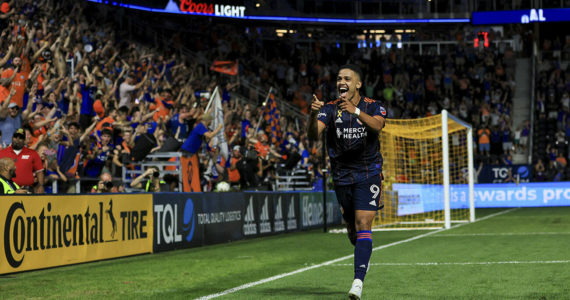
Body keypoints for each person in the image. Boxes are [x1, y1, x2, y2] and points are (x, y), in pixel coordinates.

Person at [308, 64, 387, 300]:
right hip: (341, 175)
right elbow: (313, 136)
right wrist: (313, 114)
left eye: (347, 78)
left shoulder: (374, 106)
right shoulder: (329, 109)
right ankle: (363, 257)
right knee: (353, 230)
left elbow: (378, 125)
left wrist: (355, 111)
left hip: (368, 173)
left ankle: (357, 283)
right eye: (339, 78)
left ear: (358, 84)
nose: (342, 81)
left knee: (364, 222)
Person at [0, 128, 44, 193]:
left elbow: (39, 171)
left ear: (24, 140)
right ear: (12, 138)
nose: (17, 140)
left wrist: (41, 185)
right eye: (15, 137)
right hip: (8, 189)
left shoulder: (33, 153)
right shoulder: (2, 153)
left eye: (20, 138)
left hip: (27, 189)